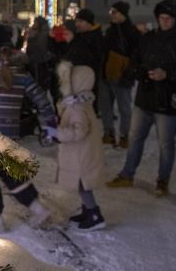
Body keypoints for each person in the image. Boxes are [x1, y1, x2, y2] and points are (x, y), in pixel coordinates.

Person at [107, 0, 176, 196]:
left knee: (166, 144)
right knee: (135, 137)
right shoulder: (149, 38)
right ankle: (127, 174)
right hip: (145, 98)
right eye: (161, 18)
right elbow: (135, 60)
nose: (164, 22)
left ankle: (162, 181)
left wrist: (167, 75)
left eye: (168, 18)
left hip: (167, 101)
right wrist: (138, 72)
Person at [0, 24, 58, 232]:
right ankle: (38, 208)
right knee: (12, 174)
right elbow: (39, 97)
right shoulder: (21, 73)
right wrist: (50, 120)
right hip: (11, 135)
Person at [55, 61, 106, 230]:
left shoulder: (77, 107)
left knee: (83, 185)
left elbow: (78, 131)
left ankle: (94, 214)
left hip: (81, 155)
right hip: (81, 152)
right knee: (81, 184)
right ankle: (87, 209)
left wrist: (57, 133)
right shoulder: (80, 102)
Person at [99, 1, 141, 147]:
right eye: (111, 11)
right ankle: (108, 133)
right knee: (105, 106)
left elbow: (137, 55)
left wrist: (129, 74)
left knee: (124, 108)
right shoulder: (110, 30)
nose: (112, 14)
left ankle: (125, 136)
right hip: (107, 74)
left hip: (122, 75)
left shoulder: (132, 32)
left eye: (115, 12)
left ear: (123, 14)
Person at [63, 9, 106, 111]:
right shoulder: (78, 36)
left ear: (89, 23)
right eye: (76, 21)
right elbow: (63, 52)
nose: (78, 24)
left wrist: (73, 42)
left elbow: (88, 57)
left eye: (81, 21)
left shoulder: (97, 38)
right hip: (75, 79)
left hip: (88, 82)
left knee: (86, 111)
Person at [25, 16, 52, 91]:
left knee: (37, 80)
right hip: (39, 60)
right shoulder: (43, 33)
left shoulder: (41, 34)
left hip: (37, 60)